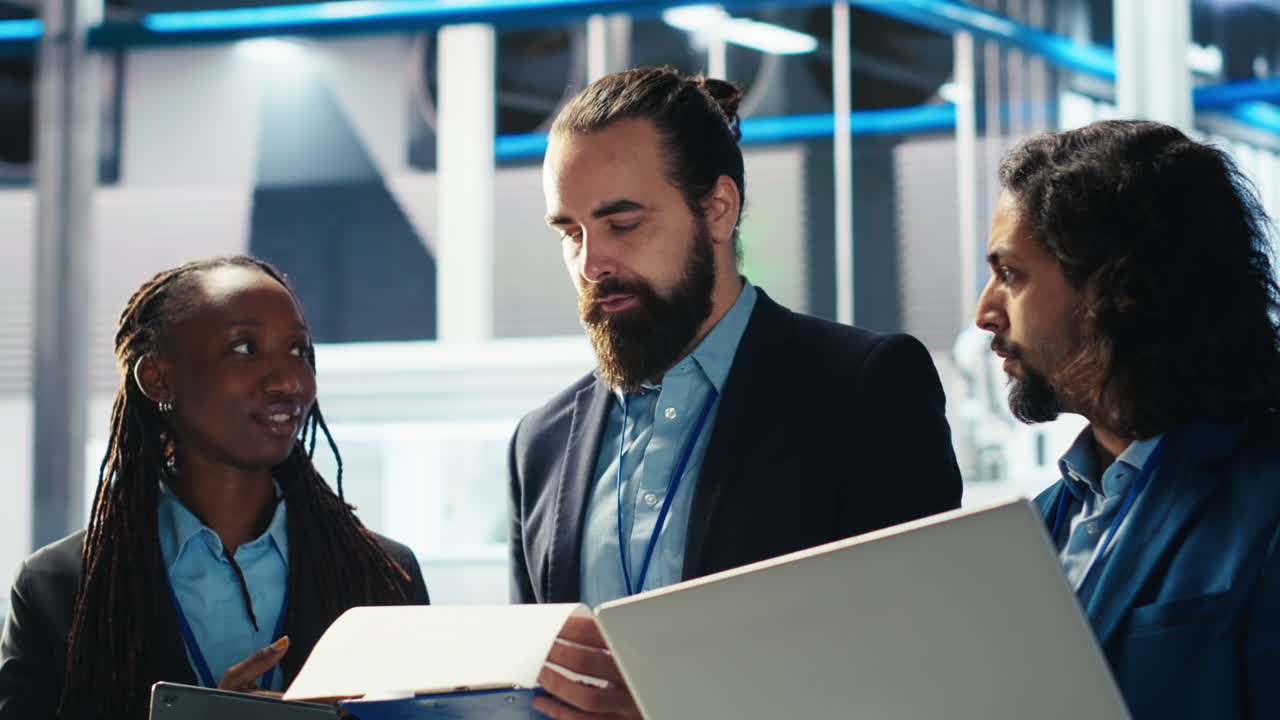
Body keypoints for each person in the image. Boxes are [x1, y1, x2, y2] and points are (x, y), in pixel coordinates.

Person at [509, 66, 962, 719]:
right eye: (570, 232)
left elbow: (920, 669)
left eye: (623, 224)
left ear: (717, 209)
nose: (591, 263)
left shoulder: (862, 390)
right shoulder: (541, 444)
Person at [0, 256, 429, 719]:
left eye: (299, 351)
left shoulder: (386, 576)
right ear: (159, 378)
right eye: (244, 348)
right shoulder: (59, 588)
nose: (288, 380)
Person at [974, 119, 1280, 719]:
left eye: (1010, 275)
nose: (985, 311)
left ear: (1122, 287)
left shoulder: (1266, 505)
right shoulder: (1035, 529)